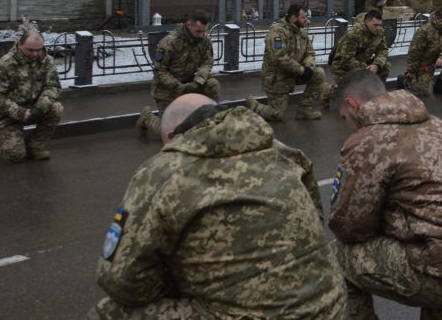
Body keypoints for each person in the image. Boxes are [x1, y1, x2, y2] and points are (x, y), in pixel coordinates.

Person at [90, 94, 346, 319]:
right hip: (328, 306)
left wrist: (182, 281)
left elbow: (121, 283)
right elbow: (315, 218)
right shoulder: (286, 154)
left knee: (110, 311)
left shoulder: (160, 172)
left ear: (169, 136)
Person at [330, 71, 442, 319]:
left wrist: (387, 223)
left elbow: (349, 227)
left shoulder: (366, 141)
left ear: (352, 104)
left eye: (344, 117)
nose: (347, 124)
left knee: (334, 258)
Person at [138, 11, 219, 138]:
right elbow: (160, 71)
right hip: (167, 89)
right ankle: (147, 116)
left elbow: (207, 62)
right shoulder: (170, 42)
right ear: (189, 25)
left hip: (191, 84)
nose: (201, 35)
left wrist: (198, 81)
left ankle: (211, 117)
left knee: (212, 84)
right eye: (198, 31)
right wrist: (180, 87)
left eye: (204, 31)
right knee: (170, 134)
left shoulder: (204, 40)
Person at [248, 4, 329, 122]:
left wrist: (308, 67)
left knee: (318, 73)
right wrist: (301, 70)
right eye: (303, 17)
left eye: (306, 17)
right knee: (277, 114)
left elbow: (310, 53)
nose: (306, 20)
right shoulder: (277, 33)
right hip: (277, 78)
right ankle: (253, 105)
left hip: (294, 73)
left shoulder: (302, 33)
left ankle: (304, 109)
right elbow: (280, 58)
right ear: (293, 18)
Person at [0, 24, 62, 163]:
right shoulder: (3, 65)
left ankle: (34, 145)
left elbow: (53, 87)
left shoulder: (47, 61)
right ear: (20, 44)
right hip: (8, 115)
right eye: (30, 50)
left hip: (34, 108)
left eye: (39, 49)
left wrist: (39, 108)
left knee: (56, 108)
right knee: (15, 156)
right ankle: (2, 135)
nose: (35, 54)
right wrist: (20, 112)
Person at [406, 11, 442, 96]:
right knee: (422, 91)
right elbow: (414, 51)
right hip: (424, 63)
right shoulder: (425, 30)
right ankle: (403, 80)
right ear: (440, 20)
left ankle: (439, 86)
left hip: (438, 60)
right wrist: (411, 70)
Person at [331, 10, 390, 82]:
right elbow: (346, 60)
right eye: (375, 25)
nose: (378, 28)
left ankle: (377, 87)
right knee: (358, 86)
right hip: (344, 67)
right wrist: (366, 69)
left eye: (379, 25)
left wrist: (376, 65)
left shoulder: (379, 32)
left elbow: (383, 50)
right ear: (366, 22)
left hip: (363, 63)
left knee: (385, 66)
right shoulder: (353, 34)